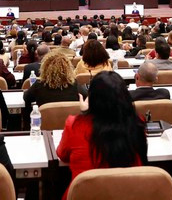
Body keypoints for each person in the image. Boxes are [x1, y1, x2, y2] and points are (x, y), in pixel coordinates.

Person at [57, 72, 148, 200]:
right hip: (128, 195)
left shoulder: (74, 125)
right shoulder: (137, 122)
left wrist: (84, 114)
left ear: (92, 98)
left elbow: (62, 154)